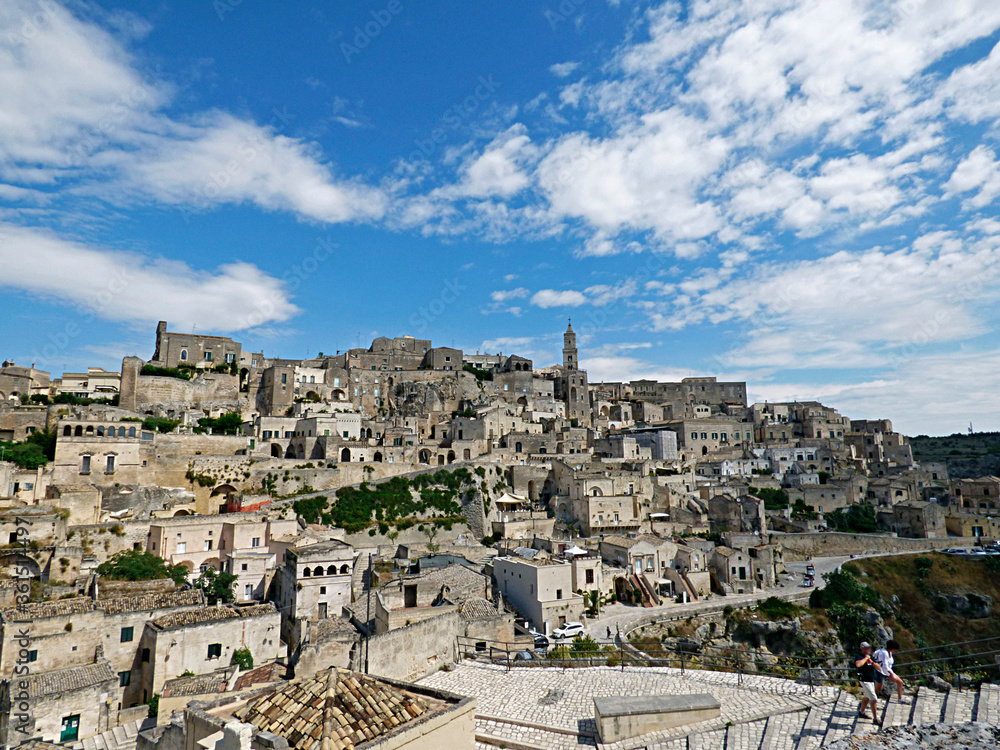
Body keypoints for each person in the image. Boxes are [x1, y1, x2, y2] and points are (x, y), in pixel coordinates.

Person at [855, 641, 880, 723]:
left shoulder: (871, 657)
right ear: (862, 648)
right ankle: (876, 718)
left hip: (871, 680)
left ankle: (861, 712)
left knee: (867, 696)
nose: (869, 649)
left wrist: (871, 662)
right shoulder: (859, 656)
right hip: (864, 680)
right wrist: (865, 658)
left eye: (869, 647)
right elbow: (858, 665)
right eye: (867, 648)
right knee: (874, 699)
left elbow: (878, 667)